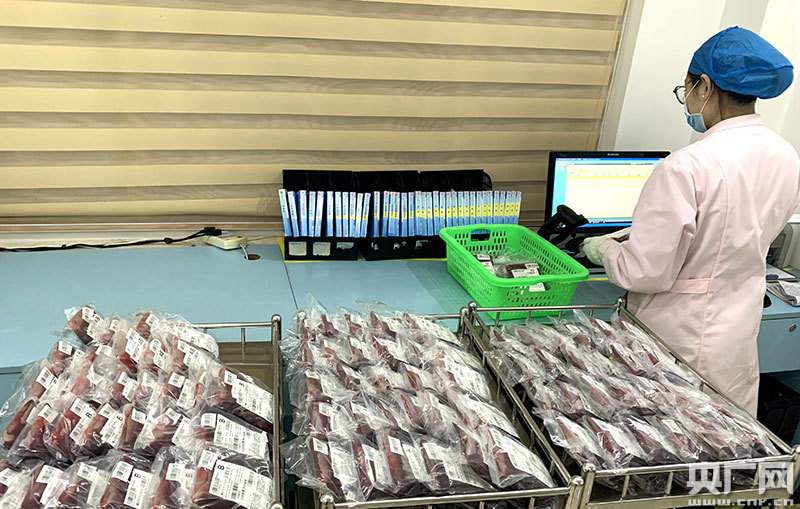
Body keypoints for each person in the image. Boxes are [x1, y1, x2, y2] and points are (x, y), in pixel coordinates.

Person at [581, 26, 799, 416]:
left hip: (677, 337)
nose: (687, 100)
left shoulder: (688, 165)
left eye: (687, 89)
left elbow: (646, 273)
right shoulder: (785, 155)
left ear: (705, 86)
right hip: (735, 330)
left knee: (662, 440)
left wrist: (606, 249)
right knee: (722, 435)